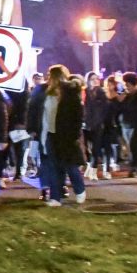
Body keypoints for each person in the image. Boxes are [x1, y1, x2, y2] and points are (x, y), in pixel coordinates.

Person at [29, 65, 86, 206]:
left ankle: (80, 190)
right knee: (53, 167)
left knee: (70, 166)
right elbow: (39, 114)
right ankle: (55, 198)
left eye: (51, 75)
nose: (48, 78)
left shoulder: (70, 92)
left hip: (66, 135)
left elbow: (77, 116)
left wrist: (74, 135)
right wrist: (36, 130)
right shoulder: (45, 93)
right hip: (51, 135)